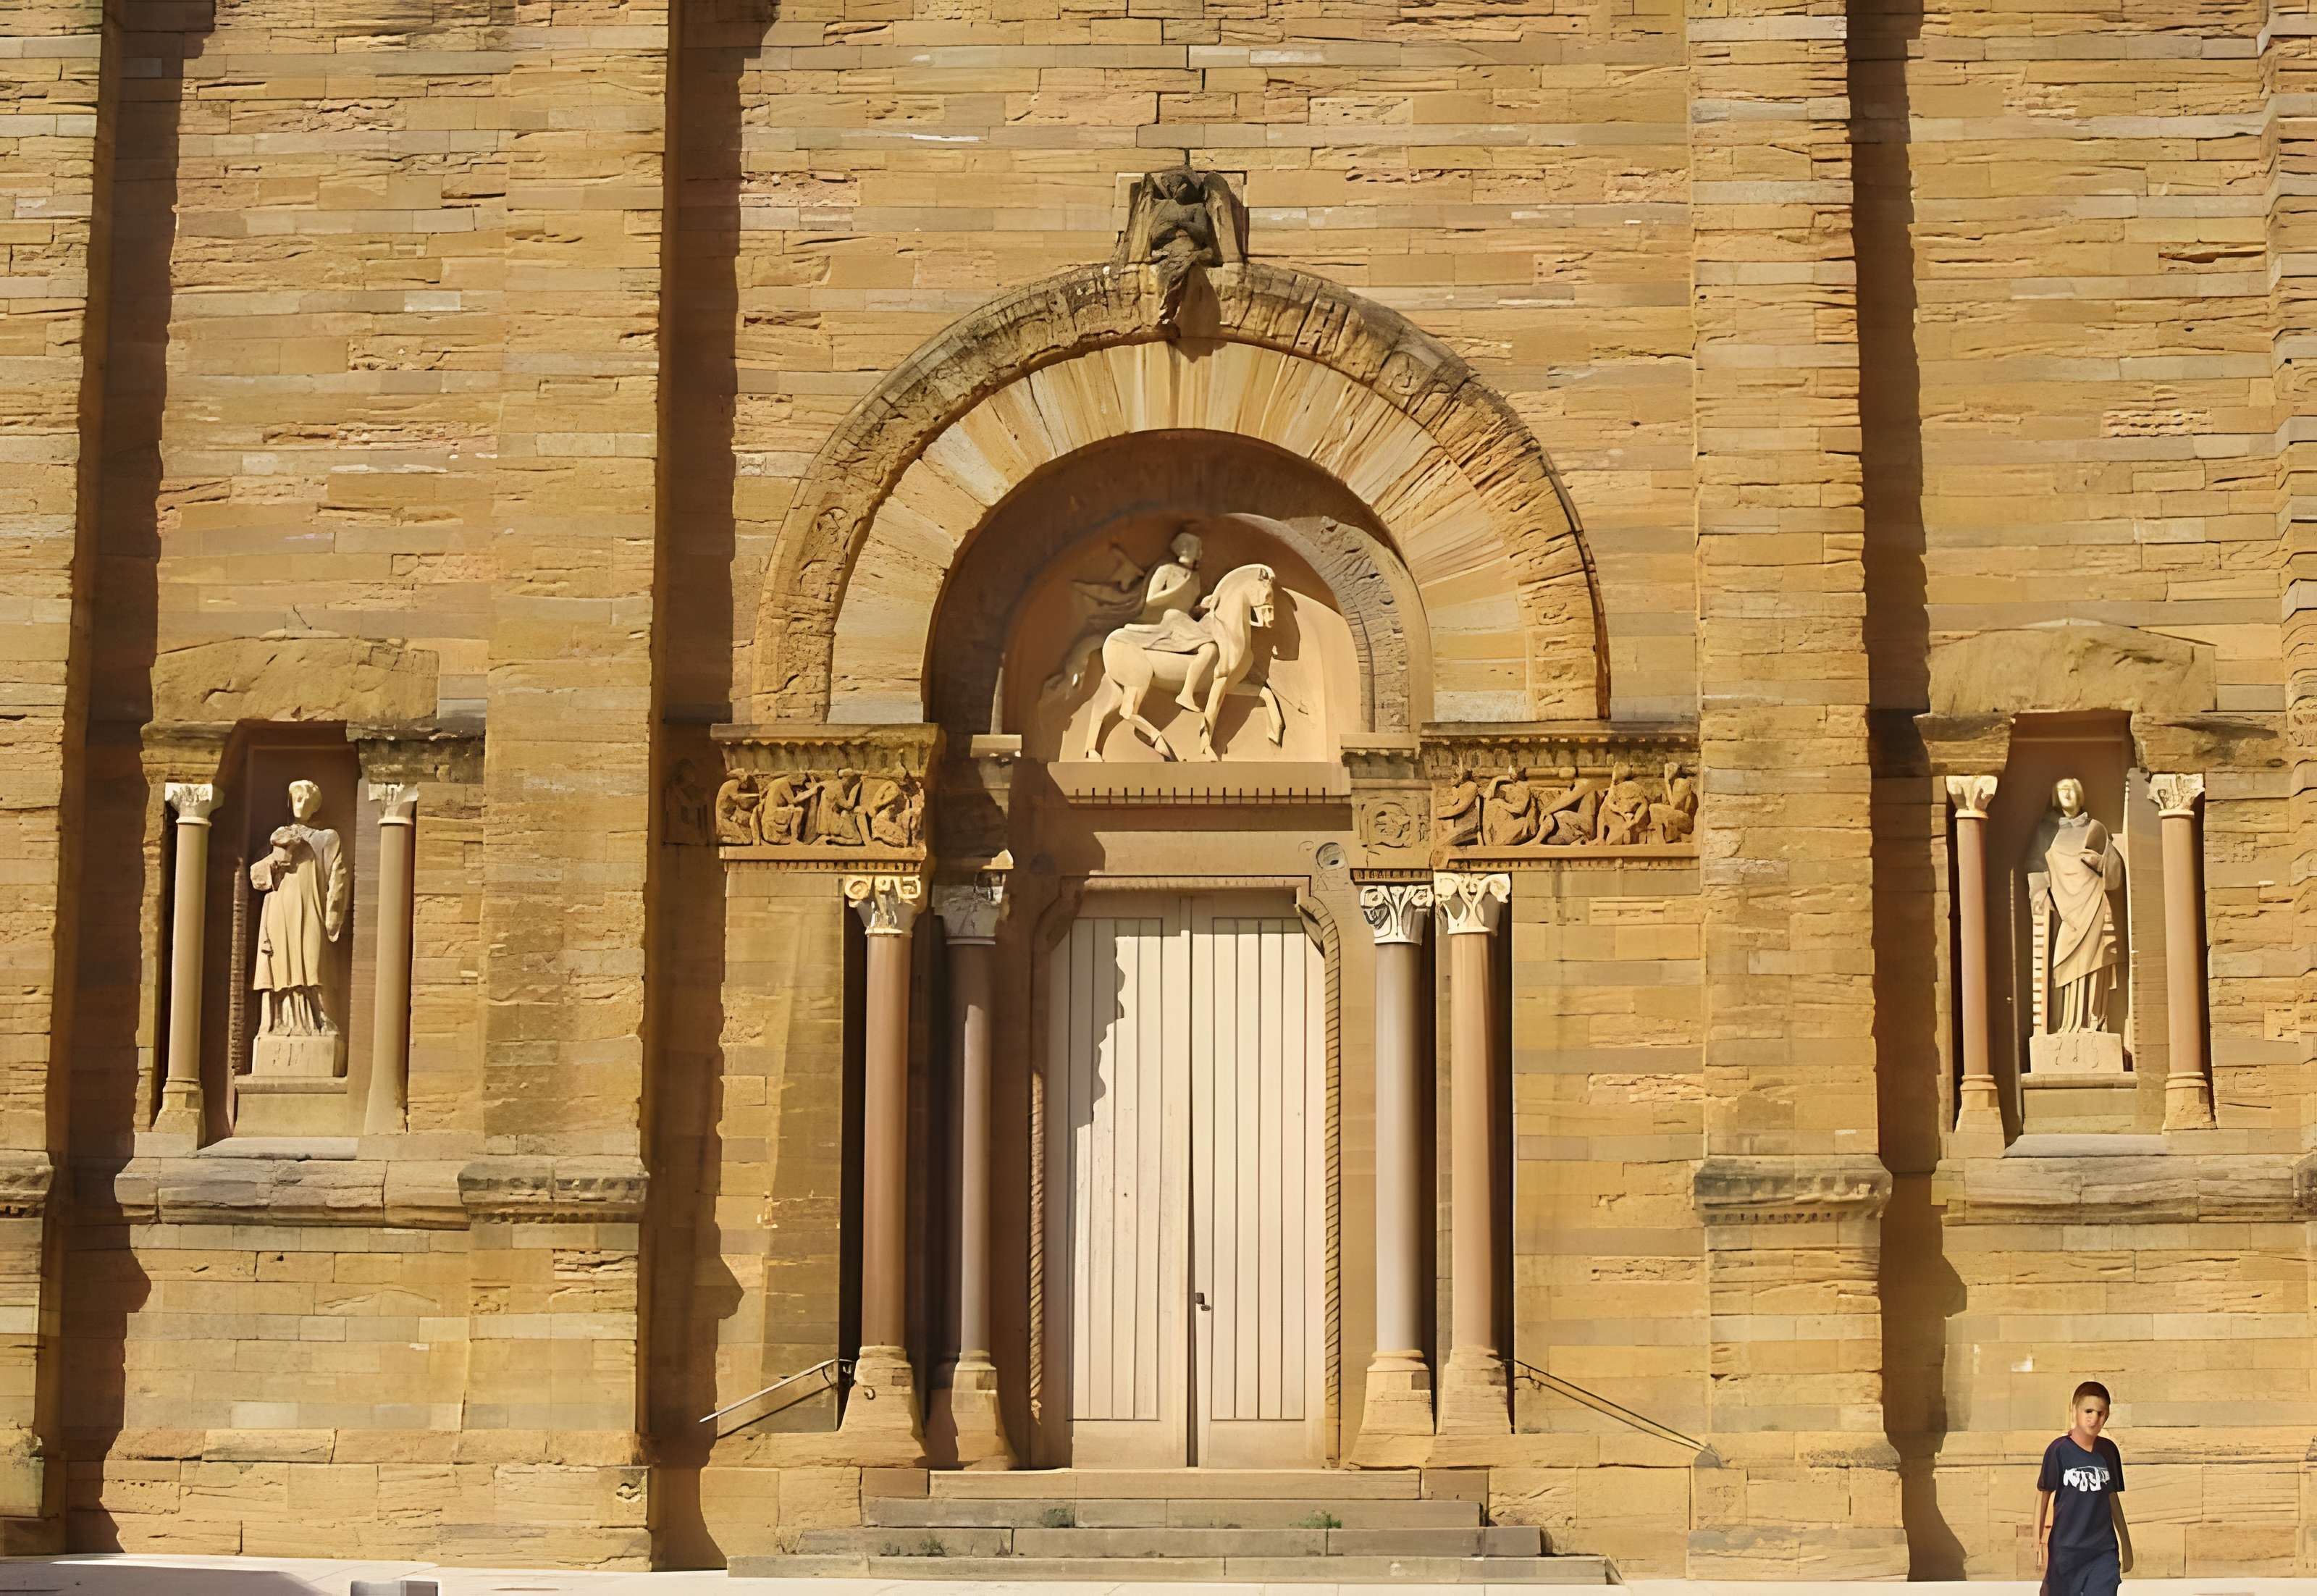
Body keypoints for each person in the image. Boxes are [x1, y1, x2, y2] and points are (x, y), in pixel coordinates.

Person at [2036, 1380, 2132, 1596]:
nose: (2094, 1418)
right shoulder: (2058, 1450)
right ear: (2075, 1411)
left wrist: (2126, 1544)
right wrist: (2038, 1544)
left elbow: (2112, 1498)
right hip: (2066, 1551)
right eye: (2088, 1411)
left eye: (2101, 1413)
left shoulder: (2108, 1452)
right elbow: (2044, 1496)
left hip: (2102, 1550)